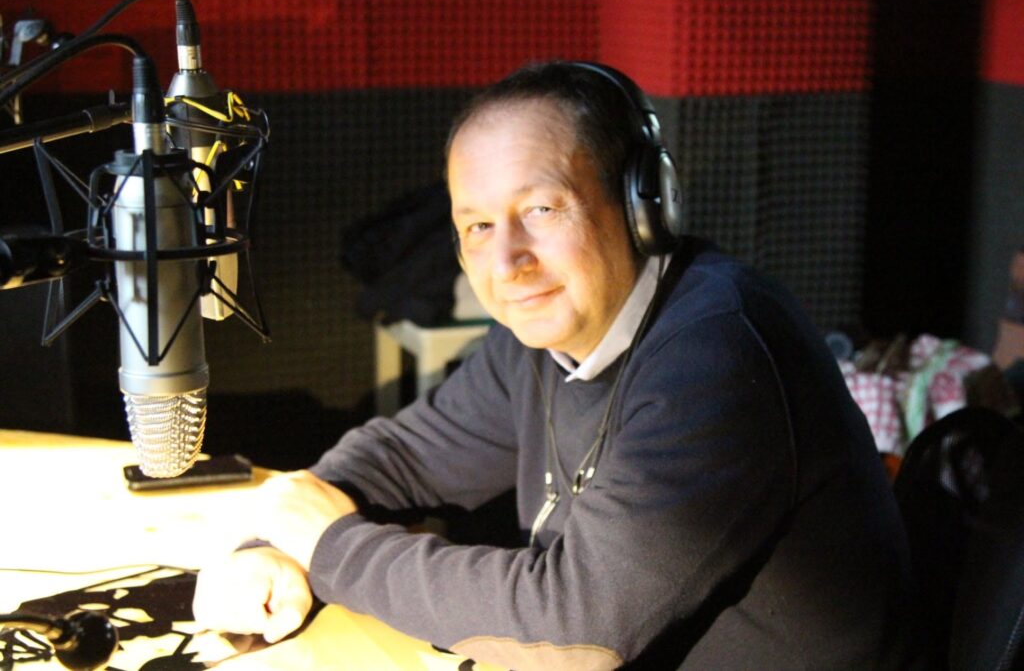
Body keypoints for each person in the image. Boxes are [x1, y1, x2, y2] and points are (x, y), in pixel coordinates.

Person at [193, 61, 915, 669]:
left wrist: (332, 548)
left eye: (541, 209)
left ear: (643, 205)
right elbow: (406, 456)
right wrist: (272, 548)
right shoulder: (535, 342)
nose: (508, 260)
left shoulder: (717, 356)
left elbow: (577, 631)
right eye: (478, 226)